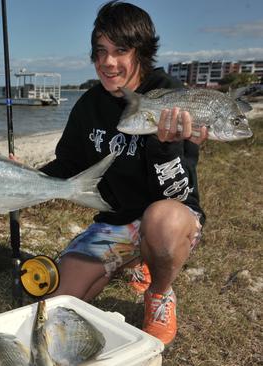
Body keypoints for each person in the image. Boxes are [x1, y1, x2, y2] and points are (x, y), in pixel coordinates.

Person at [41, 1, 208, 345]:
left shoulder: (174, 99)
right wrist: (22, 178)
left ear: (142, 52)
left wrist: (165, 146)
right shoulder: (89, 104)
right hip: (113, 223)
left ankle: (159, 292)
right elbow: (68, 165)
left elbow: (177, 193)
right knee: (56, 305)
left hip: (168, 213)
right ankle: (132, 259)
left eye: (120, 51)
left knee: (163, 222)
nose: (107, 62)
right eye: (100, 51)